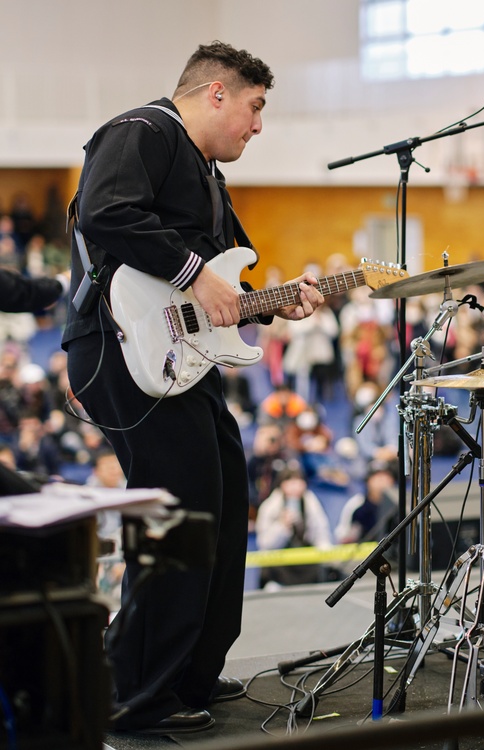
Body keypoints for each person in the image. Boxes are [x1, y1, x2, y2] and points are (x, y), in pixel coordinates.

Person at [61, 42, 326, 735]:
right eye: (255, 106)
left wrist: (275, 301)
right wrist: (192, 272)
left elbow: (221, 293)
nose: (258, 125)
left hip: (179, 360)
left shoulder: (207, 173)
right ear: (215, 93)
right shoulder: (141, 132)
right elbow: (105, 213)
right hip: (122, 351)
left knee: (220, 500)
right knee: (178, 518)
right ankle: (133, 695)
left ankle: (189, 671)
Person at [254, 464, 334, 588]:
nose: (295, 486)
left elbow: (321, 533)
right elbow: (264, 544)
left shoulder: (311, 503)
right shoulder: (269, 507)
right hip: (279, 563)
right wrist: (282, 526)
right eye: (289, 481)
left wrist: (326, 555)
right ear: (281, 484)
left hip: (304, 561)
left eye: (298, 481)